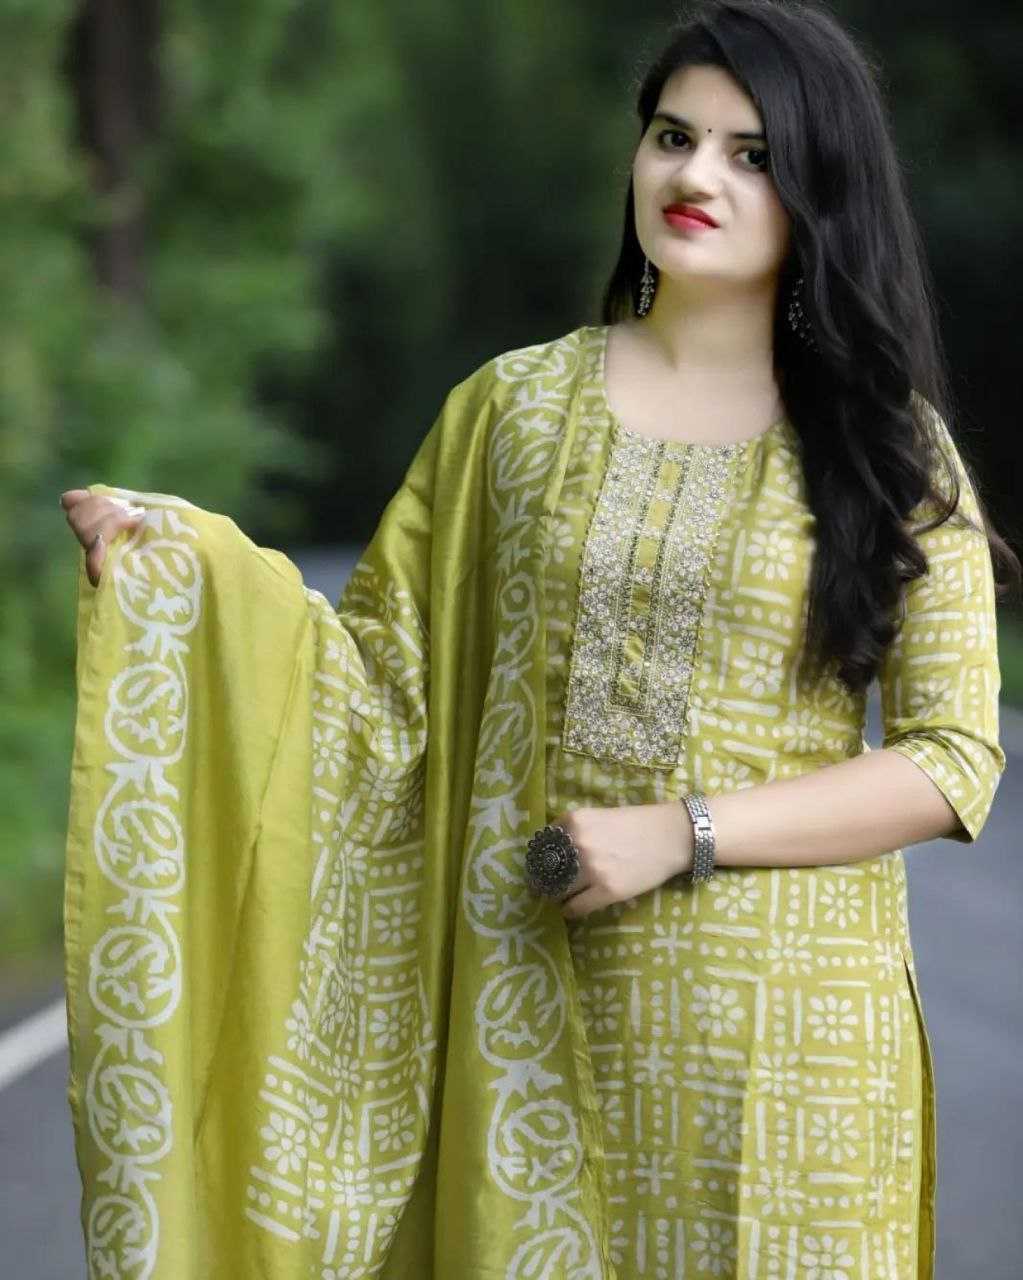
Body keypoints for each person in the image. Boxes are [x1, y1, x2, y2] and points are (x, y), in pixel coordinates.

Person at [60, 2, 1016, 1277]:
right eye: (673, 135)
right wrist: (190, 572)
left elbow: (953, 759)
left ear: (822, 190)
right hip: (531, 1035)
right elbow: (377, 685)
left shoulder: (884, 442)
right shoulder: (509, 411)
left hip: (795, 1064)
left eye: (751, 154)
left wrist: (682, 830)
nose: (695, 176)